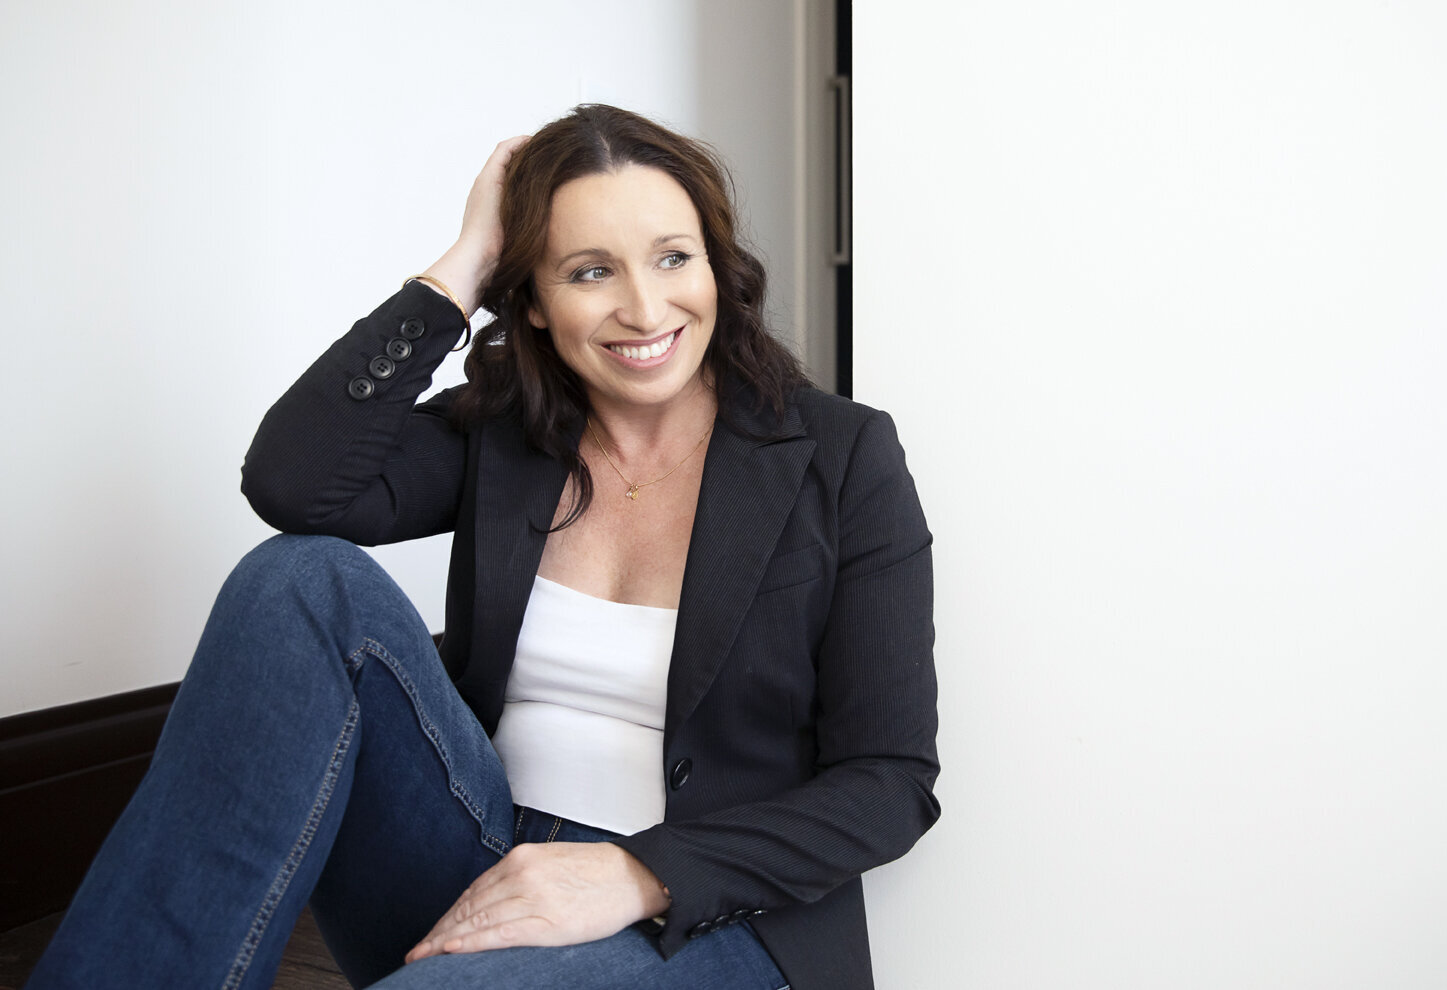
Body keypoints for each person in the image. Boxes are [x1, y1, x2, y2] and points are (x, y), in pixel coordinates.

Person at [26, 105, 938, 990]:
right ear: (532, 300)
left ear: (716, 265)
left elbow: (890, 783)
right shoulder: (505, 434)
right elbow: (292, 486)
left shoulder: (840, 455)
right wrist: (459, 268)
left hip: (708, 918)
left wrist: (632, 874)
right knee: (298, 579)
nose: (644, 306)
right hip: (475, 856)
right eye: (588, 272)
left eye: (673, 258)